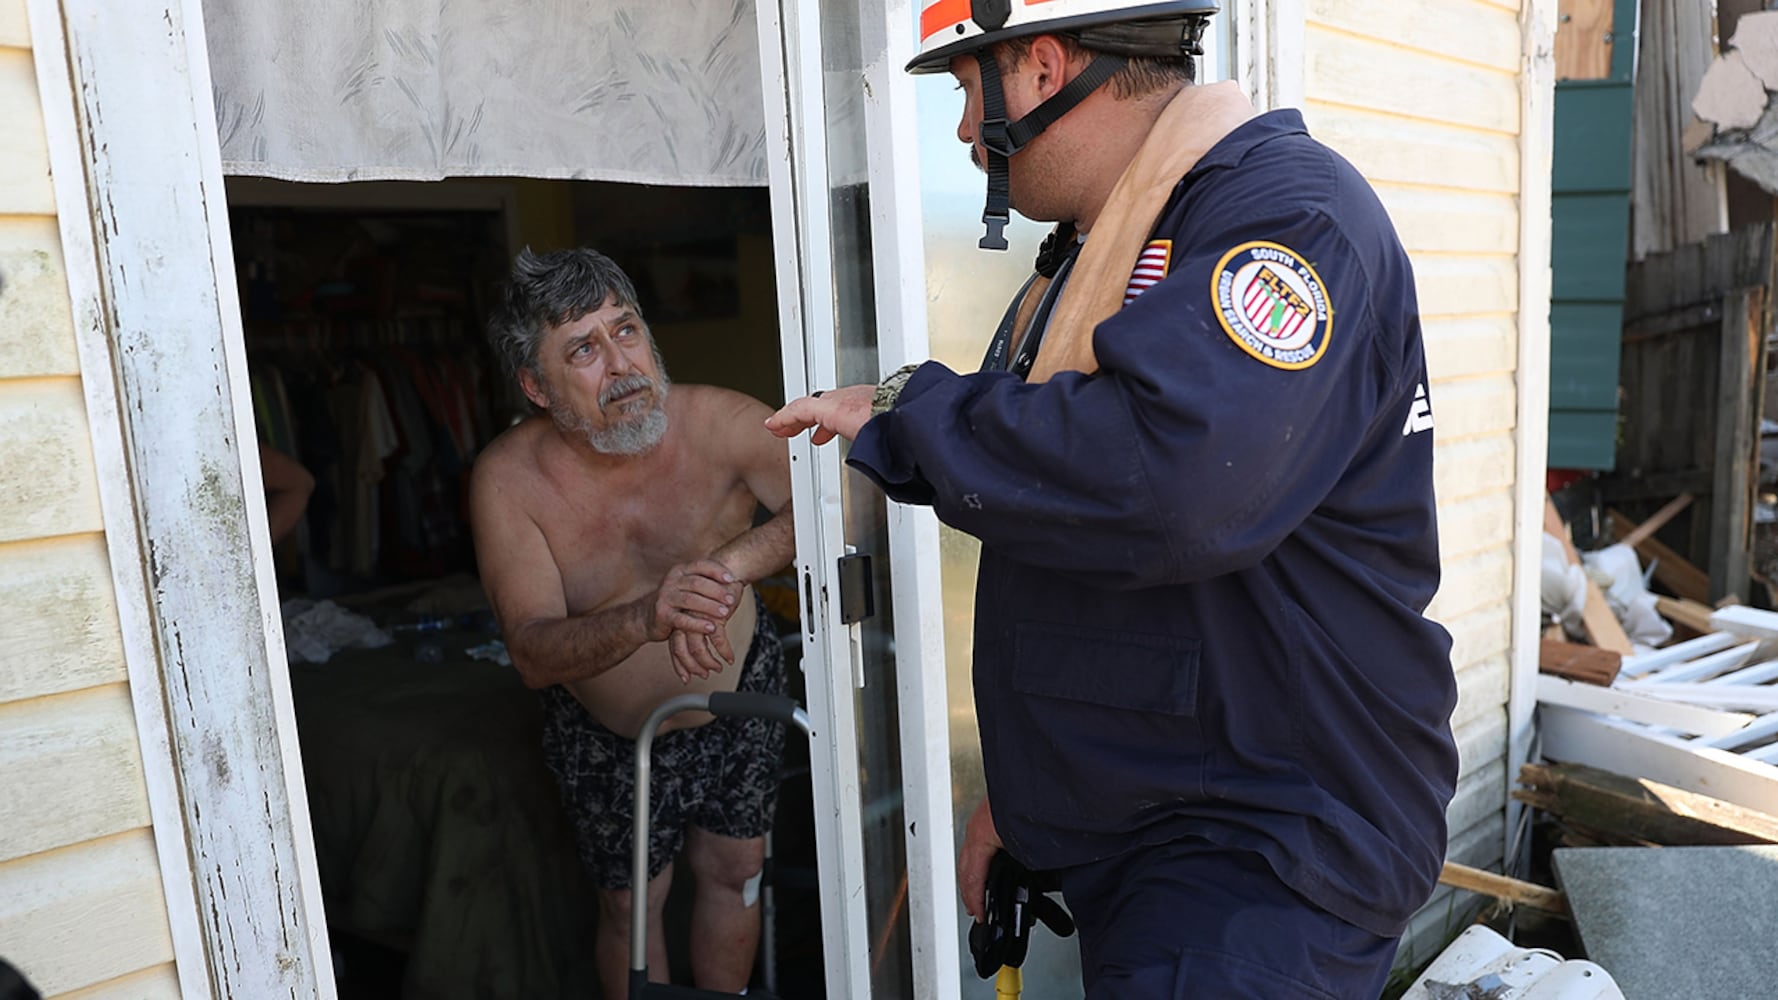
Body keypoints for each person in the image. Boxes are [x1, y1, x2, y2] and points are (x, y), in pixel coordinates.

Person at [764, 2, 1459, 996]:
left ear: (1042, 69)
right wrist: (1032, 796)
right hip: (1171, 823)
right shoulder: (1118, 239)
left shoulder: (1286, 218)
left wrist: (915, 411)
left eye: (968, 90)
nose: (964, 131)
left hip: (1259, 852)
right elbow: (1079, 529)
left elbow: (1172, 483)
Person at [469, 247, 795, 998]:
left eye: (626, 330)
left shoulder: (717, 419)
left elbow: (843, 497)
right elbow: (531, 653)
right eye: (583, 349)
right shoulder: (507, 480)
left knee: (738, 872)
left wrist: (727, 569)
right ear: (536, 387)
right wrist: (649, 615)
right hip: (603, 729)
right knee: (628, 907)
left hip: (738, 692)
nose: (621, 363)